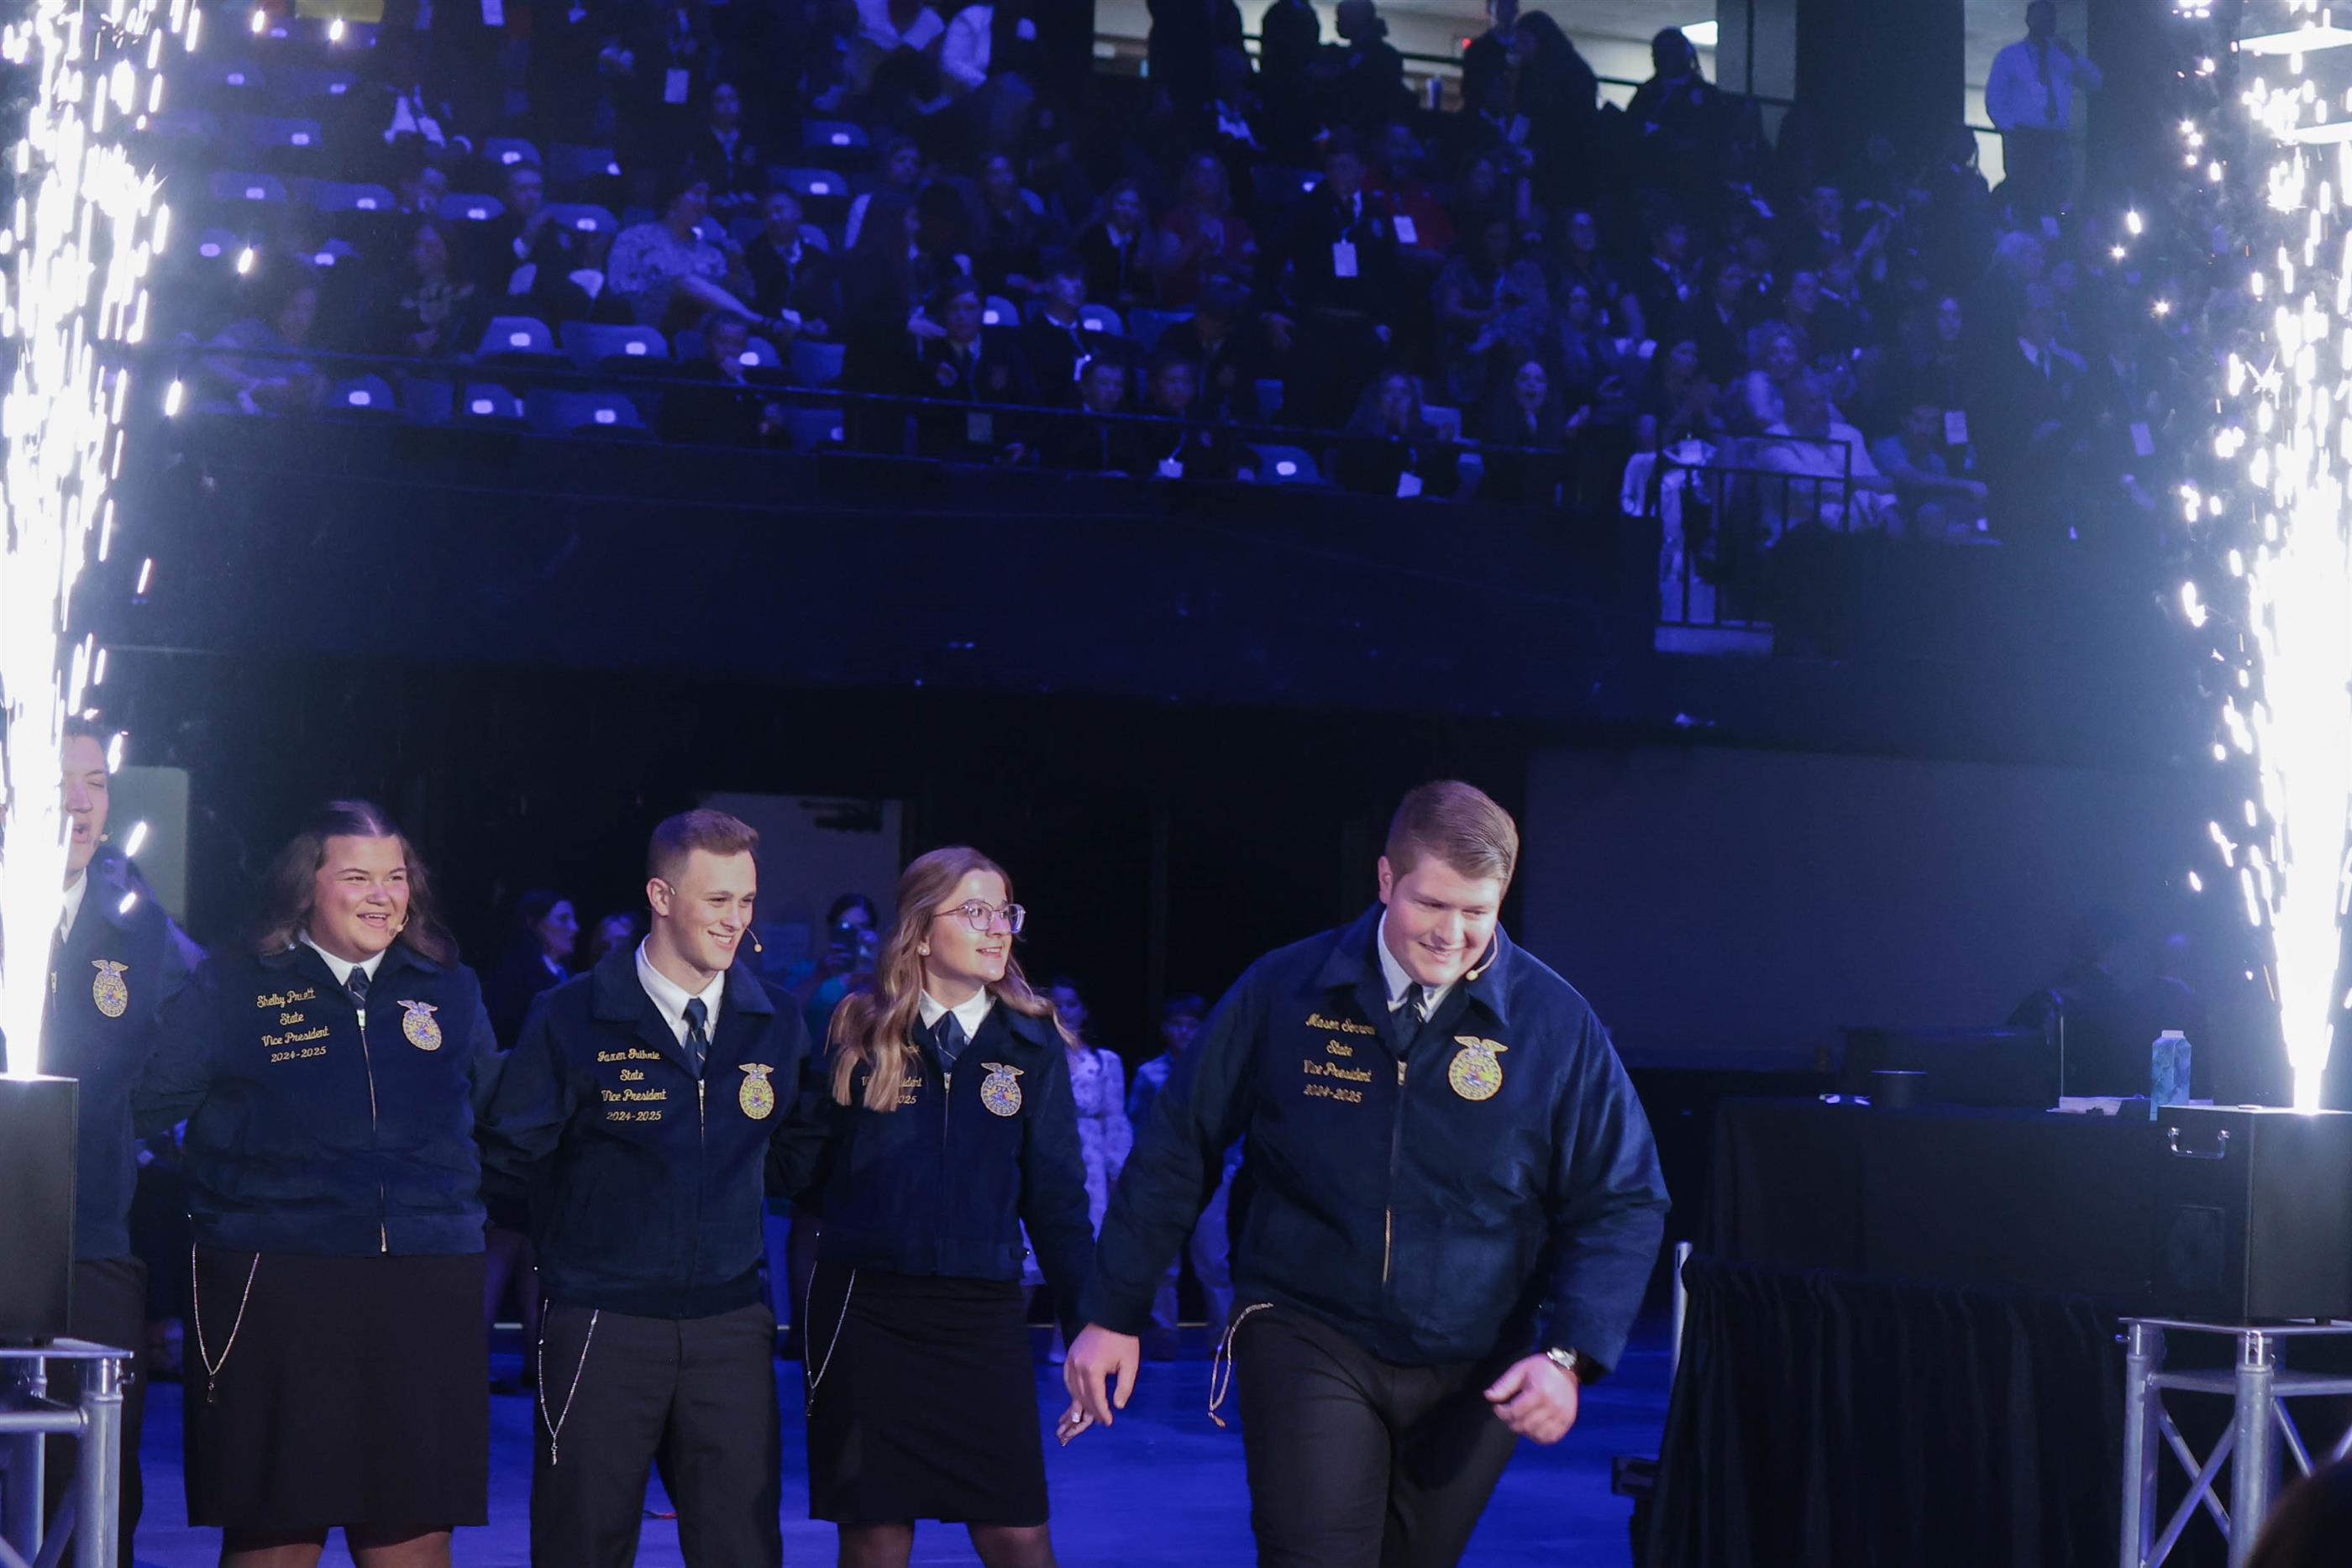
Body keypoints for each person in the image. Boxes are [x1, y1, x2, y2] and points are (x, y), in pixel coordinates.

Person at [1066, 781, 1669, 1568]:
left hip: (1475, 1359)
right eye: (1432, 904)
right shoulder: (1285, 989)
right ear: (1386, 878)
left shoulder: (1555, 1024)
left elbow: (1622, 1197)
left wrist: (1569, 1355)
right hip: (1307, 1324)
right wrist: (1114, 1311)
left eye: (1478, 911)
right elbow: (1179, 1145)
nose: (1452, 934)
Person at [137, 801, 500, 1568]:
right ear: (307, 886)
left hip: (424, 1286)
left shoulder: (449, 987)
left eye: (396, 876)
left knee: (413, 1529)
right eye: (358, 877)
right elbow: (147, 1102)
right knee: (278, 1529)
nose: (384, 896)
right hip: (278, 1287)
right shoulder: (233, 986)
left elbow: (498, 1120)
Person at [476, 810, 816, 1568]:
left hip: (730, 1323)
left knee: (742, 1550)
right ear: (661, 897)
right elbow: (511, 1156)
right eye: (717, 899)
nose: (736, 920)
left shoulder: (775, 1021)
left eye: (746, 900)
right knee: (582, 1545)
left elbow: (796, 1154)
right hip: (602, 1322)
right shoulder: (570, 1015)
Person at [791, 847, 1095, 1566]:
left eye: (1005, 912)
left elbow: (1058, 1198)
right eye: (976, 911)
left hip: (981, 1316)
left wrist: (1090, 1322)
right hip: (866, 1314)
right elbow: (803, 1172)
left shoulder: (1031, 1041)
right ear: (922, 932)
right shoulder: (856, 1028)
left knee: (1018, 1533)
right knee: (876, 1534)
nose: (998, 928)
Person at [37, 716, 200, 1568]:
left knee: (97, 1485)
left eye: (96, 781)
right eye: (60, 779)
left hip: (92, 1237)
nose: (80, 800)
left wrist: (127, 1128)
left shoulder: (136, 925)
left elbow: (196, 1037)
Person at [1985, 0, 2102, 218]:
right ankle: (2020, 228)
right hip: (2023, 135)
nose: (2045, 22)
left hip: (2055, 137)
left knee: (2056, 192)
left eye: (2050, 17)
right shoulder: (2010, 56)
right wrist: (2011, 129)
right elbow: (1995, 99)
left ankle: (2052, 232)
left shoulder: (2063, 57)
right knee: (2023, 190)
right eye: (2040, 16)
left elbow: (2095, 81)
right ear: (2028, 20)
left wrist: (2074, 55)